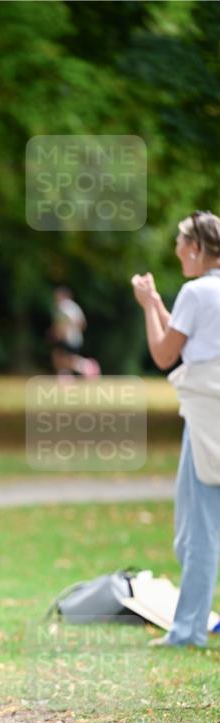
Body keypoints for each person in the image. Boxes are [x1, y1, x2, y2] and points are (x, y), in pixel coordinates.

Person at [131, 210, 220, 647]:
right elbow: (188, 335)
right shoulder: (206, 292)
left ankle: (188, 631)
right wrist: (160, 305)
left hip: (207, 418)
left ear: (197, 248)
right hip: (207, 414)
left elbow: (166, 354)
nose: (177, 250)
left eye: (182, 241)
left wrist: (149, 306)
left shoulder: (196, 291)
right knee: (194, 527)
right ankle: (191, 623)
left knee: (197, 529)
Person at [49, 287, 101, 379]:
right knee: (63, 357)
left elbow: (66, 323)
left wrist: (64, 331)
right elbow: (82, 323)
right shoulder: (73, 306)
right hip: (74, 338)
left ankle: (86, 367)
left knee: (63, 358)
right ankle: (81, 368)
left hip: (69, 338)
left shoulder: (64, 306)